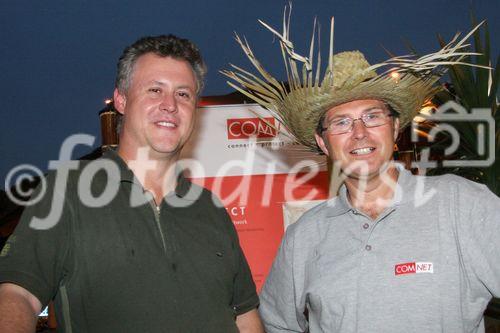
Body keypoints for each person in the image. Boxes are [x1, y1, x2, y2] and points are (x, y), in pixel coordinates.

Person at [223, 9, 500, 333]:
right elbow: (277, 324)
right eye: (341, 122)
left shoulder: (461, 206)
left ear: (395, 128)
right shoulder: (305, 236)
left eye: (372, 117)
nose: (359, 133)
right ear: (323, 143)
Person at [0, 35, 263, 332]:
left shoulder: (211, 209)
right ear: (122, 100)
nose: (170, 105)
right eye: (154, 90)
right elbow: (17, 294)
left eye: (183, 94)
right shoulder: (67, 190)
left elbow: (245, 317)